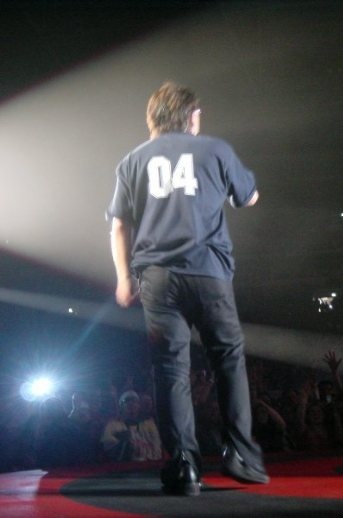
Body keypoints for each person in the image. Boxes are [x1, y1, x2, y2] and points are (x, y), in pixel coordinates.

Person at [107, 81, 268, 496]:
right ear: (191, 115)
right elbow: (248, 198)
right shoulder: (215, 150)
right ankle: (241, 456)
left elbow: (119, 226)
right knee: (228, 360)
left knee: (170, 370)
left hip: (157, 279)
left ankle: (183, 467)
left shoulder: (132, 161)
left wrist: (124, 277)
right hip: (209, 272)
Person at [100, 390, 163, 462]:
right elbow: (108, 450)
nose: (132, 404)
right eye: (127, 402)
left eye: (135, 402)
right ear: (121, 406)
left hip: (148, 467)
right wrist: (123, 444)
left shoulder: (149, 424)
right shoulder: (112, 425)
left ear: (139, 406)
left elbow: (157, 450)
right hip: (123, 469)